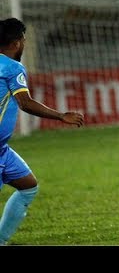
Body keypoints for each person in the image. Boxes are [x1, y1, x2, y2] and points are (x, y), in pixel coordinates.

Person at [0, 18, 84, 246]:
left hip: (3, 150)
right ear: (17, 43)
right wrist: (60, 115)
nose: (25, 44)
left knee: (28, 186)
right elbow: (25, 103)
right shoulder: (12, 67)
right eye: (24, 40)